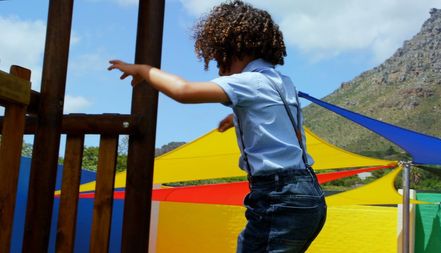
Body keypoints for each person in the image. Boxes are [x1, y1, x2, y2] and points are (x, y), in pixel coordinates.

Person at [108, 1, 326, 252]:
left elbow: (184, 91)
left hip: (278, 196)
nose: (222, 72)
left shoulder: (249, 82)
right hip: (308, 195)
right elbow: (291, 131)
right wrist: (238, 118)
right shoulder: (283, 82)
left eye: (222, 61)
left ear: (237, 49)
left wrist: (145, 71)